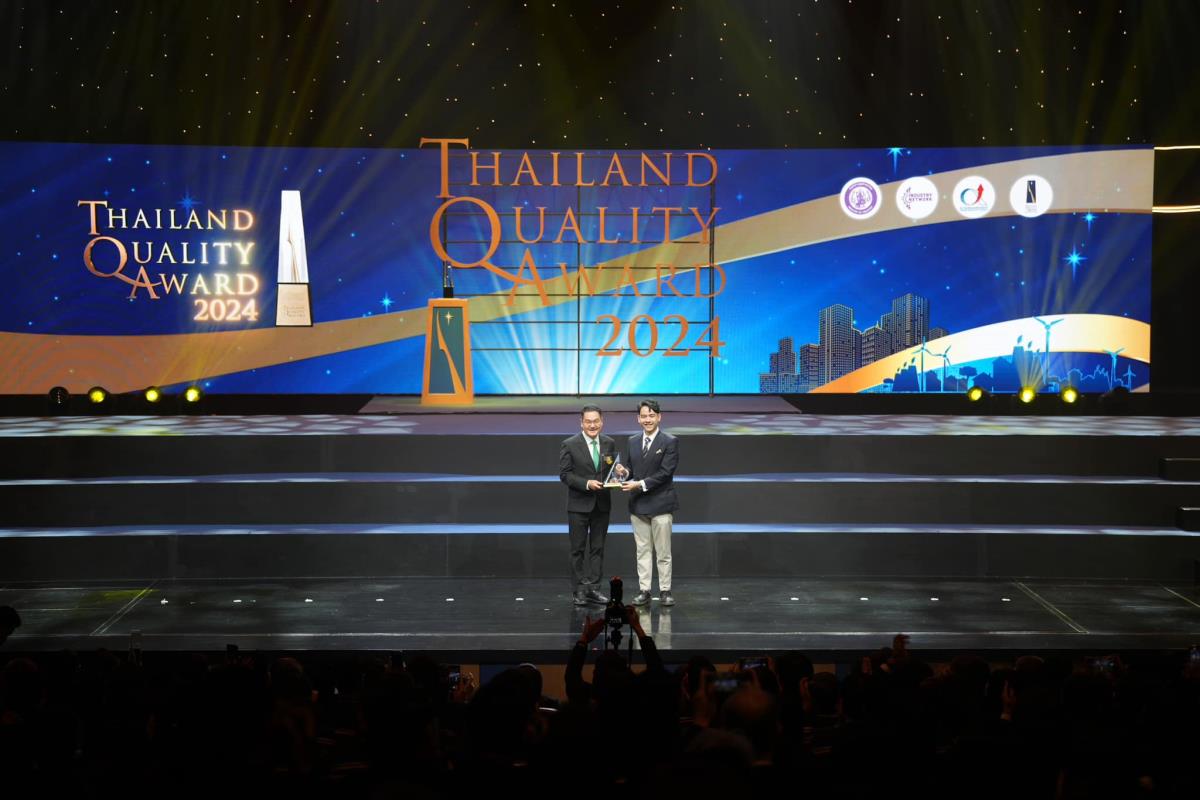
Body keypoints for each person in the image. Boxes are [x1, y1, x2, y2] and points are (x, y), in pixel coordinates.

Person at [559, 404, 621, 606]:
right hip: (578, 505)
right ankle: (578, 590)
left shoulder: (609, 443)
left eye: (596, 421)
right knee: (577, 550)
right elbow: (565, 475)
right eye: (588, 422)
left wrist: (619, 473)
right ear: (581, 423)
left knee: (598, 549)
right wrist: (586, 483)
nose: (592, 425)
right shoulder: (569, 444)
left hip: (602, 505)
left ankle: (594, 589)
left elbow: (610, 471)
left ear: (602, 422)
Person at [621, 399, 679, 606]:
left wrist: (639, 484)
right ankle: (644, 590)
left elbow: (665, 473)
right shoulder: (632, 441)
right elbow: (631, 469)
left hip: (661, 503)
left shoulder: (670, 441)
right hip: (638, 505)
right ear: (638, 418)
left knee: (663, 552)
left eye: (651, 416)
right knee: (643, 550)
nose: (648, 419)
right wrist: (623, 473)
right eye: (644, 416)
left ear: (659, 417)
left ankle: (665, 591)